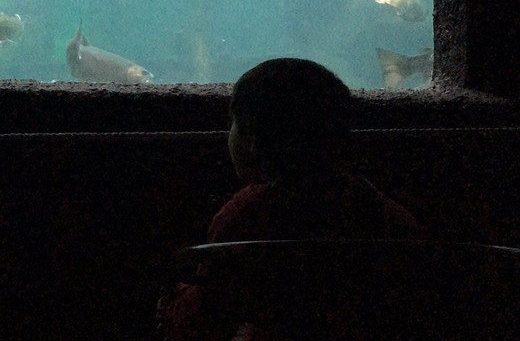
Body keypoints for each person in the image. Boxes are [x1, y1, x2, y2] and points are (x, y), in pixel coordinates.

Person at [159, 58, 422, 341]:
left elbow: (201, 321)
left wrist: (173, 299)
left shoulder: (246, 216)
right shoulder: (381, 211)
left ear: (251, 139)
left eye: (233, 123)